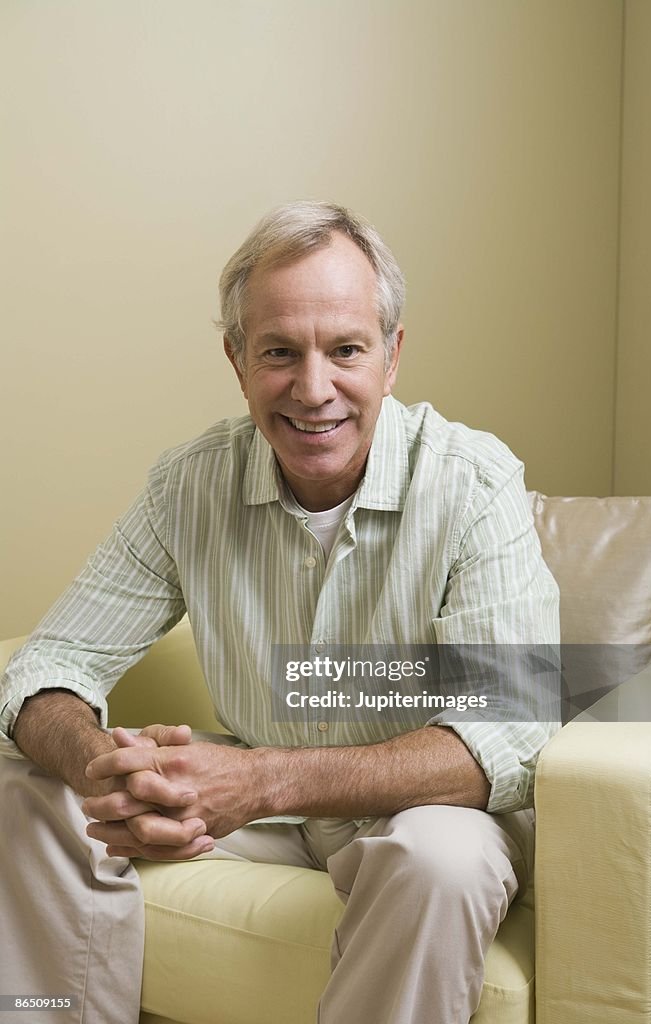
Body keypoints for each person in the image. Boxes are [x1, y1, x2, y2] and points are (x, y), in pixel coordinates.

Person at [0, 201, 560, 1024]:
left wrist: (260, 779)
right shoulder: (187, 485)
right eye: (278, 353)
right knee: (27, 786)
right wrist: (101, 770)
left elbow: (510, 729)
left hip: (421, 817)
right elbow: (46, 669)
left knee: (440, 859)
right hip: (268, 815)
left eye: (344, 350)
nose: (312, 388)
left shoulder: (474, 484)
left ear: (392, 356)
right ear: (235, 359)